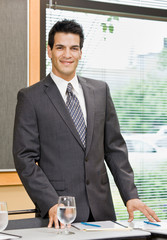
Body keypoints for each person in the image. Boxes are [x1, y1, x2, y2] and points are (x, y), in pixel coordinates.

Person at [13, 19, 160, 229]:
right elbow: (24, 158)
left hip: (103, 211)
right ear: (49, 51)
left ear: (80, 53)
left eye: (74, 48)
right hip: (60, 212)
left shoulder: (100, 91)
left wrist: (130, 196)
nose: (67, 54)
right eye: (60, 47)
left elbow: (115, 149)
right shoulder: (31, 97)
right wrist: (50, 202)